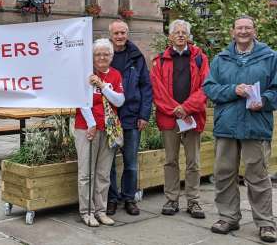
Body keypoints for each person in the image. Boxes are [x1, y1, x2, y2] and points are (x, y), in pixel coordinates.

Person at [203, 15, 277, 242]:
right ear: (232, 32)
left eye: (248, 27)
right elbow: (209, 88)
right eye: (239, 28)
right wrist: (233, 90)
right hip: (226, 125)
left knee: (257, 176)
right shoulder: (221, 59)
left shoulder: (270, 57)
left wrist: (264, 100)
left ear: (255, 31)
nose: (243, 31)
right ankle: (228, 217)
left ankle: (265, 223)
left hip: (255, 125)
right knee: (224, 174)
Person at [150, 20, 209, 219]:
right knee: (170, 161)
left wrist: (187, 108)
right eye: (177, 32)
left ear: (189, 36)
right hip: (169, 118)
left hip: (192, 117)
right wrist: (176, 110)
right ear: (170, 36)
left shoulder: (200, 58)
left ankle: (193, 201)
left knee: (194, 161)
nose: (181, 35)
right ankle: (172, 199)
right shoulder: (160, 60)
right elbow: (157, 91)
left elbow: (205, 87)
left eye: (184, 32)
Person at [75, 39, 125, 227]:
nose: (102, 57)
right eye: (98, 54)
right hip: (87, 128)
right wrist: (91, 123)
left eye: (106, 54)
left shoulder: (115, 75)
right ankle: (86, 212)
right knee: (86, 173)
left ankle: (100, 211)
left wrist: (103, 86)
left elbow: (119, 101)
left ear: (111, 56)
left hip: (108, 129)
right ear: (92, 56)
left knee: (103, 174)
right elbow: (81, 100)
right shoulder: (86, 74)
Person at [107, 20, 153, 216]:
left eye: (123, 33)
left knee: (131, 163)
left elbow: (146, 86)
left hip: (132, 116)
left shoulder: (136, 56)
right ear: (111, 35)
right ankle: (111, 199)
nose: (119, 36)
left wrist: (144, 114)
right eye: (116, 33)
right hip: (110, 118)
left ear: (127, 34)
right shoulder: (103, 55)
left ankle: (129, 198)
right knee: (108, 163)